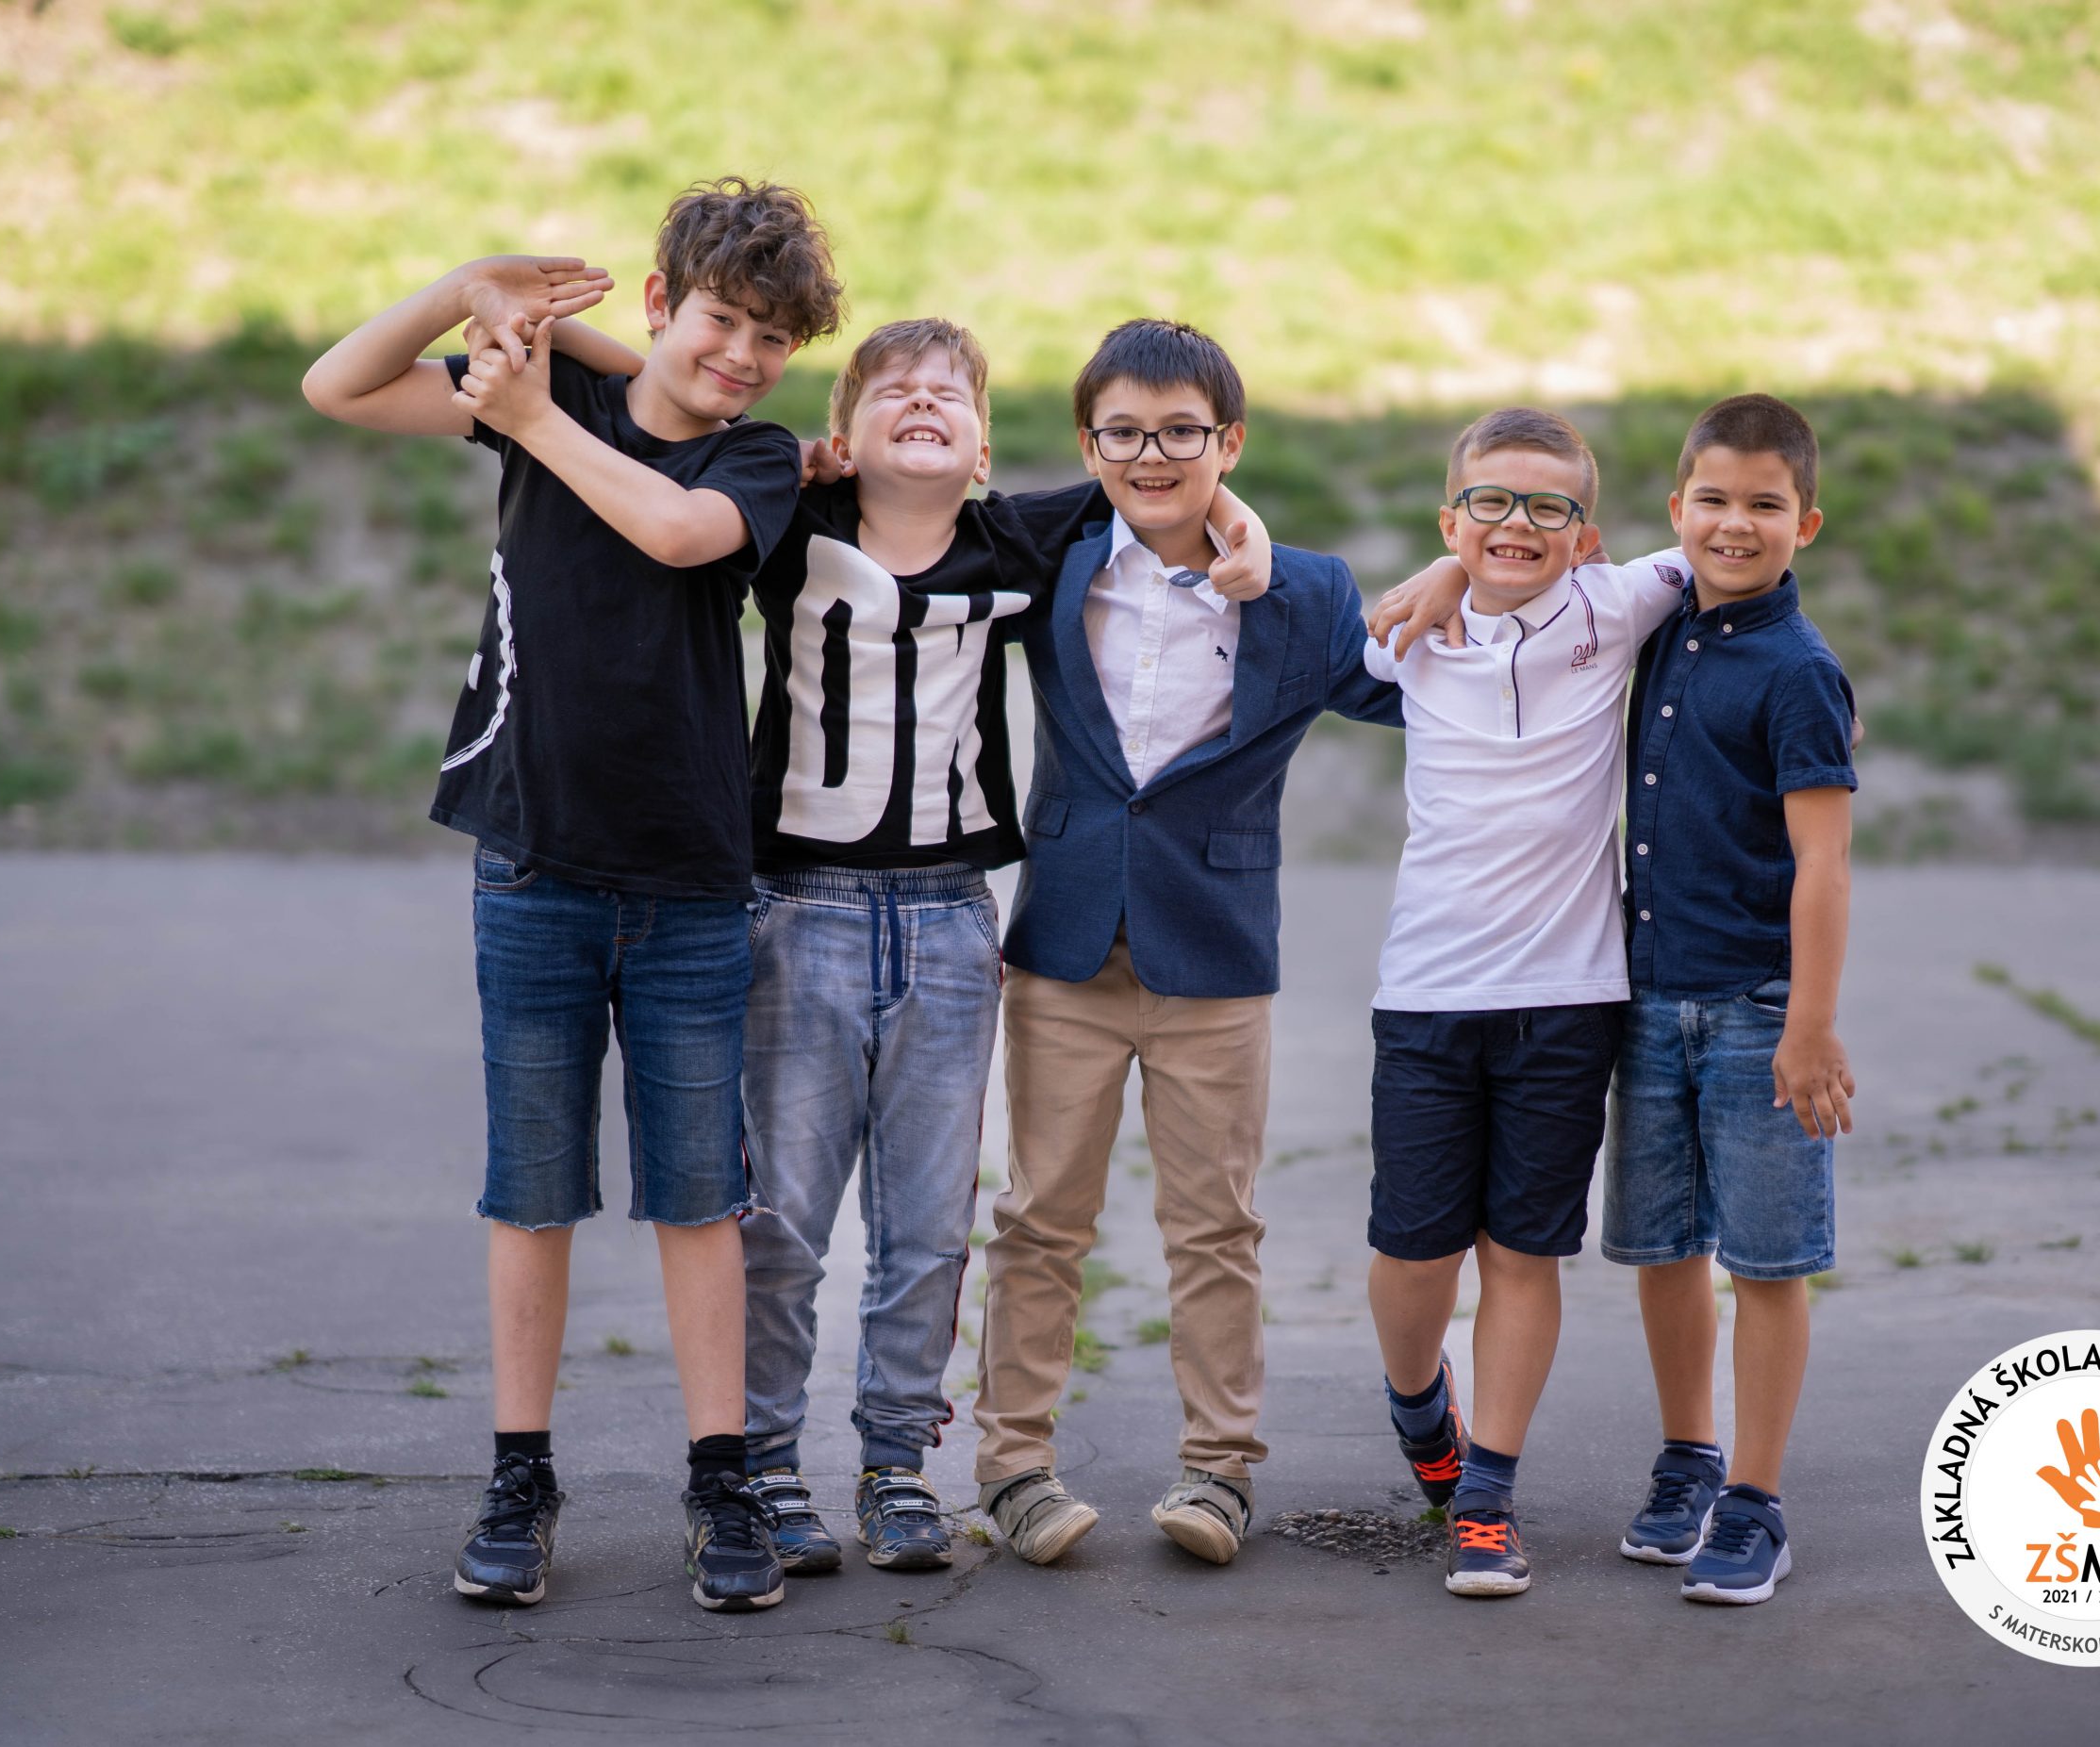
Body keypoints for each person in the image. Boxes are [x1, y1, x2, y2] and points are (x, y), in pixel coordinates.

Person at [538, 315, 1270, 1577]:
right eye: (891, 390)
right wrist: (775, 448)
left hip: (948, 920)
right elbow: (691, 427)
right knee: (782, 1221)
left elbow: (1160, 479)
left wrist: (1238, 513)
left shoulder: (1018, 539)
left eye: (949, 393)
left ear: (984, 448)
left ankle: (895, 1463)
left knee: (928, 1227)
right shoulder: (789, 524)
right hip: (798, 910)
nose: (923, 400)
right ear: (839, 437)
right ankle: (765, 1463)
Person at [298, 176, 843, 1615]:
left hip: (689, 879)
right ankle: (519, 1474)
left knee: (699, 1196)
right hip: (532, 861)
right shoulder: (555, 393)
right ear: (661, 300)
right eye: (721, 320)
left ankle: (720, 1477)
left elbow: (675, 533)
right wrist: (465, 285)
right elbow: (337, 385)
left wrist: (534, 410)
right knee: (531, 1190)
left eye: (773, 339)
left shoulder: (754, 456)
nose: (743, 356)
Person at [973, 319, 1402, 1569]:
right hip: (1064, 945)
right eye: (1122, 432)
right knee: (1039, 1217)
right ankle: (1012, 1465)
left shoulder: (1306, 592)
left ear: (1232, 440)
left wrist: (1459, 592)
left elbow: (1426, 686)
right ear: (1087, 443)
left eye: (1180, 432)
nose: (1150, 455)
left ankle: (1219, 1470)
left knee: (1216, 1226)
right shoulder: (1051, 557)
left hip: (1213, 952)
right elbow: (926, 526)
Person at [1358, 408, 1689, 1598]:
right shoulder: (1403, 634)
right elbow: (1261, 582)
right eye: (1489, 503)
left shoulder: (1619, 601)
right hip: (1429, 991)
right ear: (1449, 519)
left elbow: (1736, 542)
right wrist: (1441, 573)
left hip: (1569, 994)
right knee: (1412, 1252)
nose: (1517, 524)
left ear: (1586, 536)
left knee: (1522, 1250)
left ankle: (1487, 1496)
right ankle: (1417, 1401)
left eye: (1549, 507)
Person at [1602, 392, 1857, 1605]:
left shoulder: (1800, 671)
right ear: (1676, 510)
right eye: (1712, 499)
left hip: (1758, 1008)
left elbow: (1824, 861)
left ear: (1806, 521)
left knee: (1764, 1259)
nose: (1735, 523)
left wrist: (1808, 1023)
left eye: (1764, 503)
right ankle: (1689, 1456)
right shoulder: (1660, 626)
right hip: (1647, 998)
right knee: (1664, 1248)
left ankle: (1755, 1499)